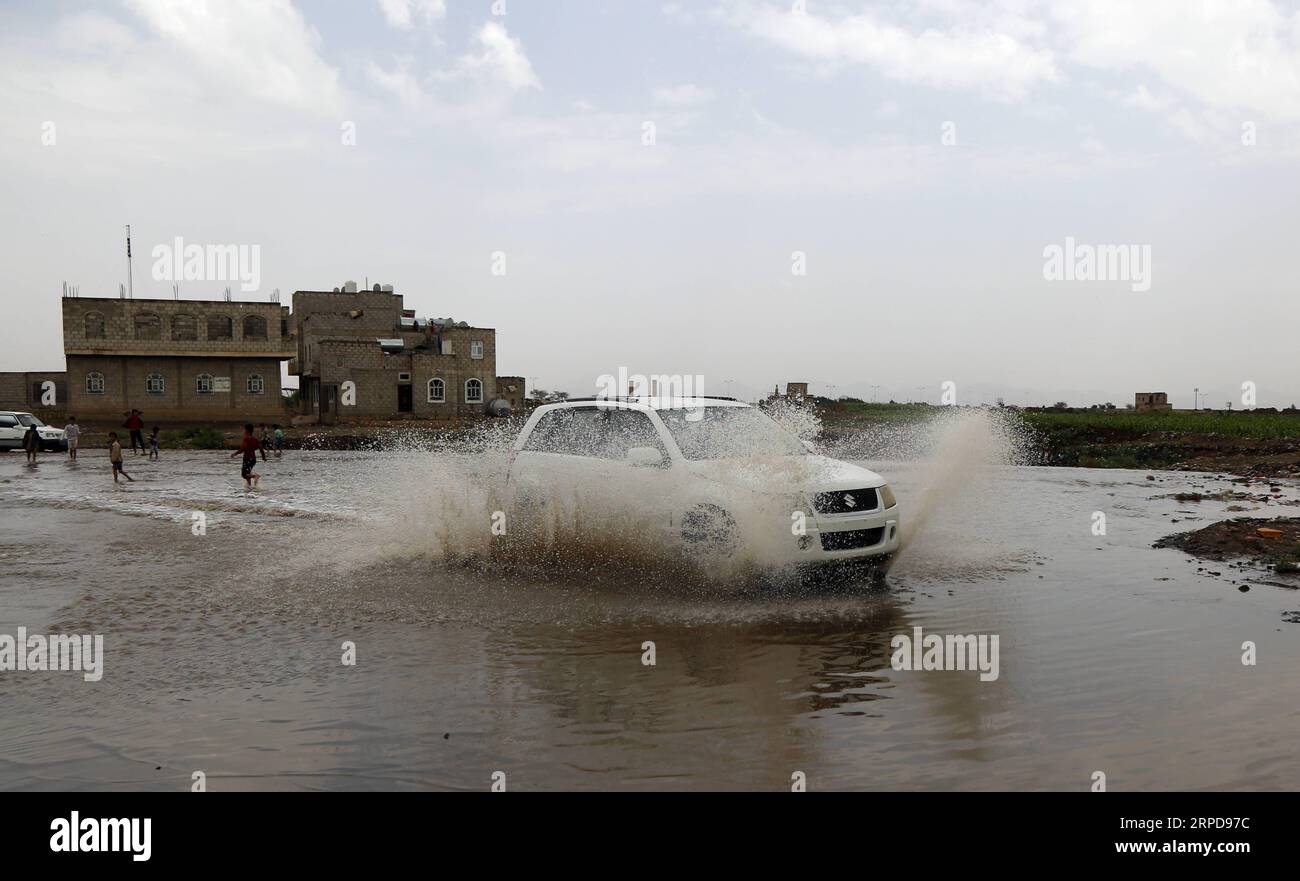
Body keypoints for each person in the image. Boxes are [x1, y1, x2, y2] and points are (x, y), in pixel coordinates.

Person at [230, 423, 261, 488]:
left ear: (246, 430)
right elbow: (260, 447)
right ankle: (249, 487)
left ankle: (255, 476)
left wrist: (235, 454)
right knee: (248, 473)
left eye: (244, 430)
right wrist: (263, 457)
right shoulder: (254, 439)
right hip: (253, 459)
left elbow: (243, 448)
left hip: (247, 458)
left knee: (244, 474)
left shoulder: (246, 439)